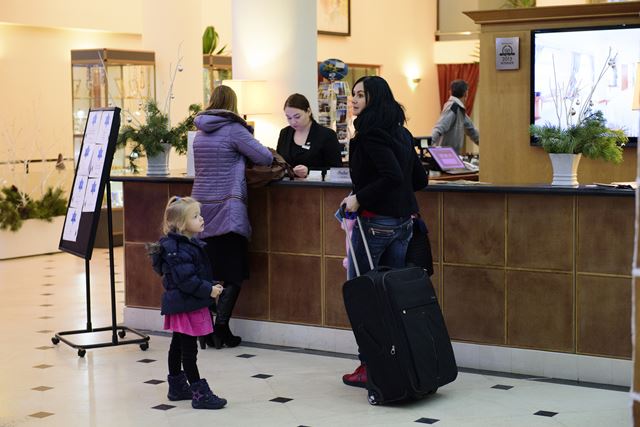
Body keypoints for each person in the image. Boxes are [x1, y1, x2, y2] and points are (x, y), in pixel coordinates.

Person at [341, 76, 429, 388]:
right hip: (403, 224)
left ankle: (370, 364)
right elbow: (419, 180)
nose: (354, 100)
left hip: (375, 224)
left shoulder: (369, 134)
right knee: (392, 296)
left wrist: (359, 197)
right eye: (353, 94)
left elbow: (390, 175)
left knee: (363, 295)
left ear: (374, 98)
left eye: (360, 95)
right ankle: (395, 361)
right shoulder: (401, 133)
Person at [191, 85, 273, 349]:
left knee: (209, 272)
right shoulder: (234, 129)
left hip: (201, 210)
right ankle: (220, 329)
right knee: (234, 273)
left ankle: (207, 330)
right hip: (227, 209)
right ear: (232, 104)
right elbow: (265, 157)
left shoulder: (199, 133)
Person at [149, 196, 227, 410]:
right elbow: (186, 281)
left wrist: (209, 284)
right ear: (181, 224)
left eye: (199, 215)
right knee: (188, 351)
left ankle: (176, 387)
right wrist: (208, 290)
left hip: (182, 303)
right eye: (195, 216)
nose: (201, 219)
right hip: (186, 305)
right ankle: (199, 394)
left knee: (177, 344)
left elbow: (193, 275)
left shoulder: (184, 245)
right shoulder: (179, 250)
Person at [277, 93, 342, 178]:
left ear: (308, 111)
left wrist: (309, 171)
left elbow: (337, 171)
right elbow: (278, 164)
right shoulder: (284, 133)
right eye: (289, 118)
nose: (293, 122)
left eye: (297, 117)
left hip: (316, 185)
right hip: (287, 185)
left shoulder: (327, 135)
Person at [431, 79, 479, 154]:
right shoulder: (453, 107)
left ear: (450, 92)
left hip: (451, 154)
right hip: (445, 154)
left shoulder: (460, 109)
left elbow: (472, 131)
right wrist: (428, 143)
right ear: (466, 93)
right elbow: (440, 127)